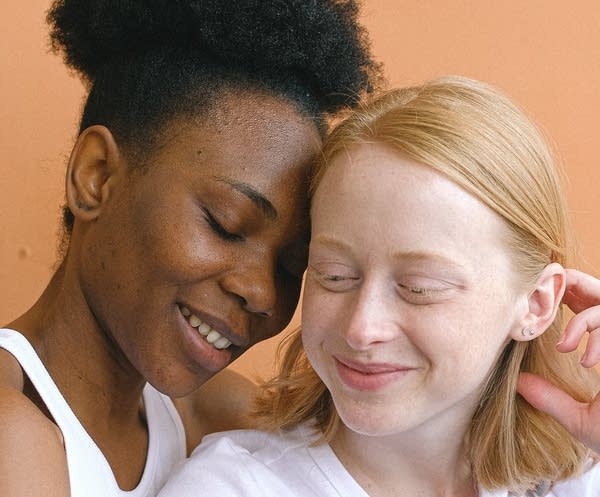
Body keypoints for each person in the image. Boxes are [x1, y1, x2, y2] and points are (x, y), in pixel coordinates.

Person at [0, 1, 381, 496]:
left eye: (291, 266)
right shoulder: (13, 434)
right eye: (225, 225)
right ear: (96, 177)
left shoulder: (218, 420)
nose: (263, 293)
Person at [157, 77, 600, 497]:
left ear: (537, 305)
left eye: (419, 287)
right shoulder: (231, 488)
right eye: (334, 276)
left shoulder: (579, 475)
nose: (361, 329)